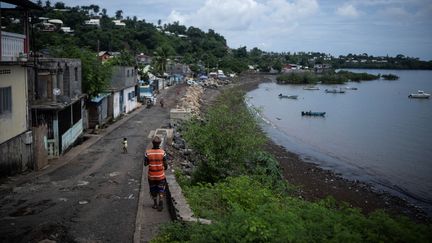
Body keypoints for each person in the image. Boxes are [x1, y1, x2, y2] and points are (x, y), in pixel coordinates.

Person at [144, 136, 168, 211]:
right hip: (160, 175)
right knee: (161, 189)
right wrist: (165, 168)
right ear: (160, 143)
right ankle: (160, 201)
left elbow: (145, 164)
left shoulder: (148, 152)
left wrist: (150, 160)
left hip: (151, 176)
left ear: (152, 143)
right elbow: (165, 164)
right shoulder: (162, 152)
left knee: (153, 189)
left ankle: (155, 204)